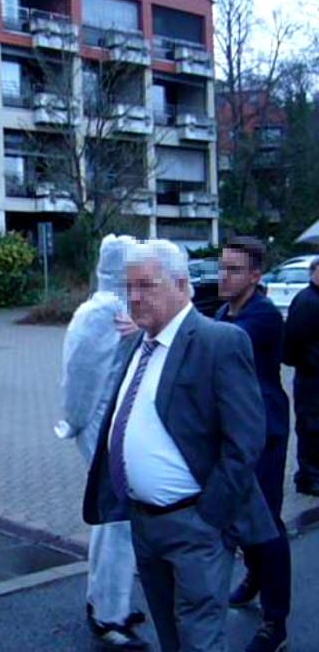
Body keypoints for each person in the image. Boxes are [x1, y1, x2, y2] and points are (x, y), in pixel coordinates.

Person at [84, 239, 277, 652]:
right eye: (129, 286)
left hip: (195, 525)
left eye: (147, 286)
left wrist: (210, 517)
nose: (134, 297)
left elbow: (245, 442)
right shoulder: (141, 341)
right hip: (144, 522)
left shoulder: (218, 342)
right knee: (170, 636)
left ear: (181, 284)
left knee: (200, 640)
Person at [56, 235, 147, 650]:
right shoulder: (101, 314)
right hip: (99, 425)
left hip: (112, 425)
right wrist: (74, 423)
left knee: (113, 520)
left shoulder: (120, 310)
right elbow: (80, 379)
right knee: (120, 521)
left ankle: (105, 602)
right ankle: (110, 614)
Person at [216, 237, 291, 652]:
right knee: (239, 513)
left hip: (264, 431)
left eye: (234, 270)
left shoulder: (261, 317)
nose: (224, 276)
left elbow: (217, 339)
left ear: (256, 276)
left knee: (268, 524)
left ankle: (275, 623)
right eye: (223, 267)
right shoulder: (227, 309)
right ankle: (255, 576)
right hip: (236, 431)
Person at [283, 256, 319, 496]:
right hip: (311, 376)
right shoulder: (306, 301)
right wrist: (305, 363)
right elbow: (294, 341)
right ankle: (308, 477)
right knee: (310, 427)